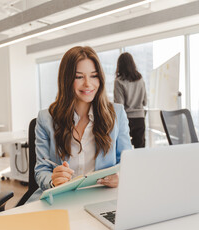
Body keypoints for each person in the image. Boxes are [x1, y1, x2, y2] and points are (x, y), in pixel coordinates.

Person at [28, 46, 132, 202]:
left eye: (94, 76)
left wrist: (121, 177)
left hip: (101, 198)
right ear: (67, 79)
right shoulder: (46, 118)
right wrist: (53, 180)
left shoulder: (116, 114)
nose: (88, 84)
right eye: (79, 77)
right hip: (60, 198)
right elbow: (42, 170)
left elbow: (127, 162)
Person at [114, 52, 147, 148]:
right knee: (140, 149)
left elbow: (119, 105)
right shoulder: (140, 79)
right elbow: (145, 102)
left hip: (126, 119)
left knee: (125, 149)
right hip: (140, 118)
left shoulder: (118, 82)